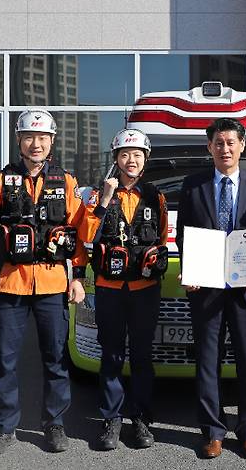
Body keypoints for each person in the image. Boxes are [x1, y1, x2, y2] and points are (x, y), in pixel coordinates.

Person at [0, 109, 87, 456]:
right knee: (4, 360)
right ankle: (4, 428)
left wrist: (77, 276)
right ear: (19, 141)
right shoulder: (2, 179)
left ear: (52, 142)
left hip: (51, 284)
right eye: (29, 137)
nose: (36, 144)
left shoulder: (66, 181)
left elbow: (79, 232)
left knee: (56, 358)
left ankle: (55, 424)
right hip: (10, 284)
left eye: (43, 138)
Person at [175, 118, 246, 459]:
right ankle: (213, 432)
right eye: (218, 143)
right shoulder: (192, 185)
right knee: (207, 361)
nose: (225, 148)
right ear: (210, 147)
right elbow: (184, 235)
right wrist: (189, 268)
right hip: (205, 287)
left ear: (242, 145)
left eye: (231, 142)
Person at [79, 128, 168, 451]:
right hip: (109, 288)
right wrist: (104, 198)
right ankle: (111, 418)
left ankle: (141, 418)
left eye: (137, 155)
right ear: (116, 159)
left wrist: (156, 262)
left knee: (143, 356)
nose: (131, 160)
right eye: (125, 155)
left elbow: (161, 239)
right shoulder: (97, 194)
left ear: (144, 161)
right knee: (112, 355)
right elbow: (87, 236)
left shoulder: (155, 195)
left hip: (144, 288)